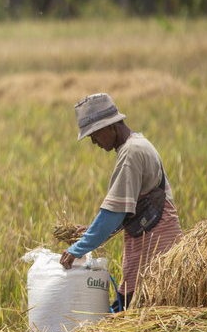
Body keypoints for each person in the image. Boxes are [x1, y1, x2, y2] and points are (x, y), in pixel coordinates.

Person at [59, 93, 183, 311]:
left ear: (111, 127)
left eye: (94, 135)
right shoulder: (136, 144)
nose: (94, 142)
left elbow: (113, 213)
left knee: (134, 307)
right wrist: (92, 231)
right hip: (152, 240)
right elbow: (127, 209)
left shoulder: (131, 153)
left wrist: (78, 248)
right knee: (130, 307)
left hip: (155, 246)